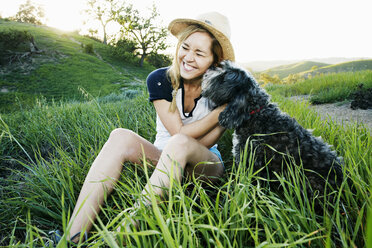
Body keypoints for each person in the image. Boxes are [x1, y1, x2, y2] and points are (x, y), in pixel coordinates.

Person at [50, 11, 235, 245]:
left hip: (204, 167)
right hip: (162, 161)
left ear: (214, 60)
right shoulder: (161, 79)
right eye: (185, 47)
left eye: (199, 53)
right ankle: (72, 238)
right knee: (120, 136)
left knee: (179, 143)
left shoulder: (225, 89)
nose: (188, 57)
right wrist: (221, 113)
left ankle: (117, 239)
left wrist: (225, 110)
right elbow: (178, 130)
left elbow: (202, 142)